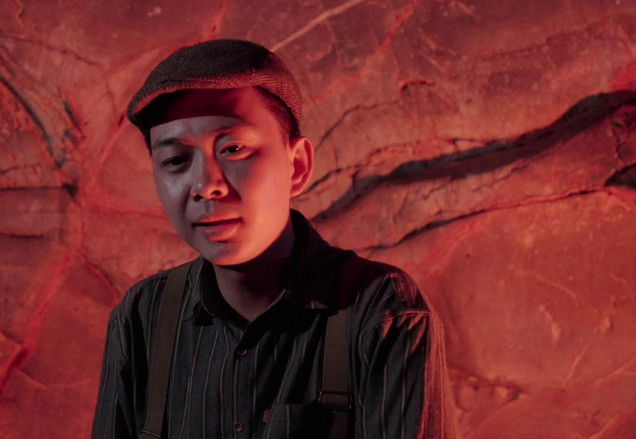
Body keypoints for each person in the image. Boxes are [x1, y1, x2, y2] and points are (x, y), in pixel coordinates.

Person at [92, 39, 456, 439]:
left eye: (233, 149)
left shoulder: (382, 313)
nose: (207, 185)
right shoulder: (144, 317)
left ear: (296, 166)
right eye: (176, 160)